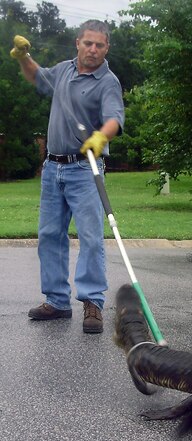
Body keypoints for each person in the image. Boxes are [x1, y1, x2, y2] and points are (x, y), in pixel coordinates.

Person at [10, 20, 125, 333]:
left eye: (99, 45)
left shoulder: (108, 81)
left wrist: (101, 137)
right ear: (78, 42)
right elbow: (38, 77)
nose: (92, 49)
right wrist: (23, 57)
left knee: (90, 237)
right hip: (52, 168)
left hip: (85, 169)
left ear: (106, 48)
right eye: (88, 43)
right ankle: (57, 301)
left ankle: (92, 303)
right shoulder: (63, 71)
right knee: (50, 234)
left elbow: (114, 118)